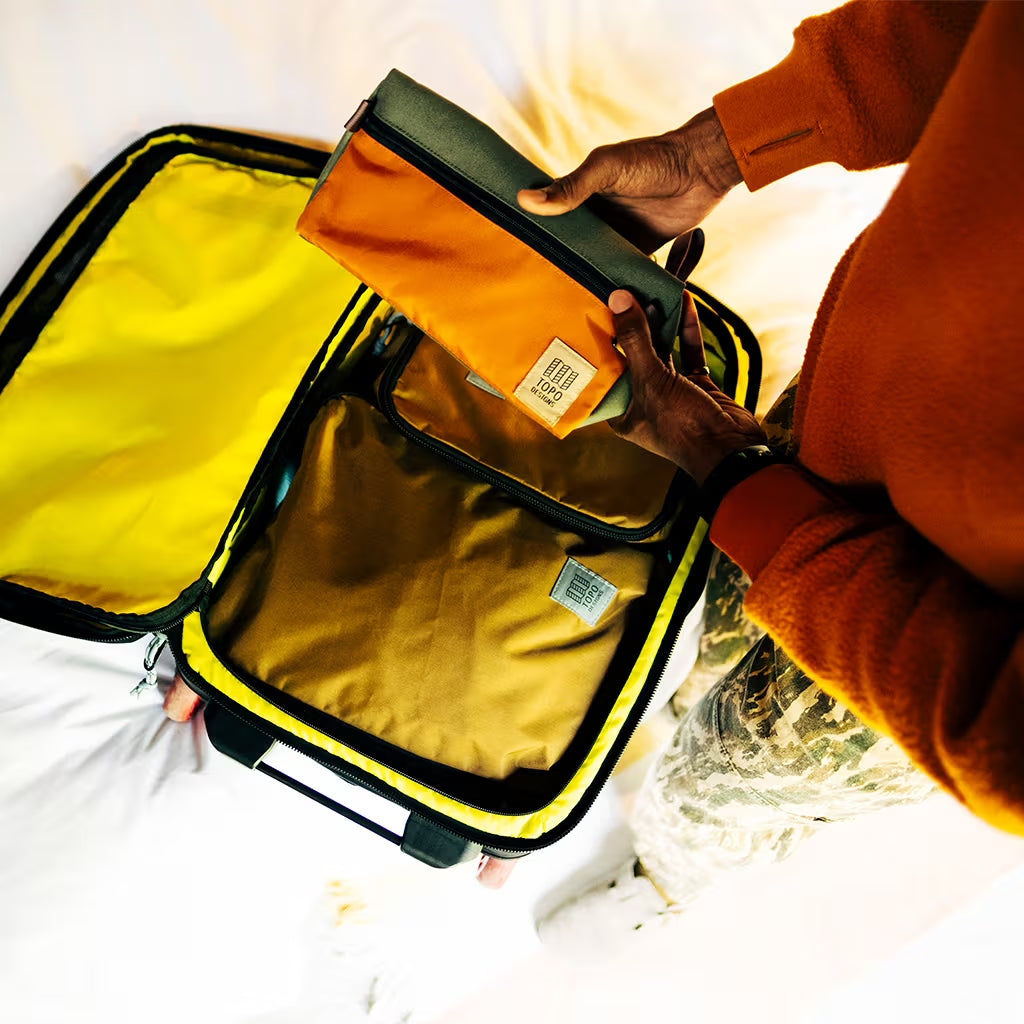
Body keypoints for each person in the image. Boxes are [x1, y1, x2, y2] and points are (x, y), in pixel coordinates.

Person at [511, 0, 1024, 937]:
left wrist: (736, 477)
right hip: (854, 402)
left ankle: (664, 878)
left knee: (720, 775)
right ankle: (660, 705)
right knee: (698, 622)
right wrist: (716, 151)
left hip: (930, 639)